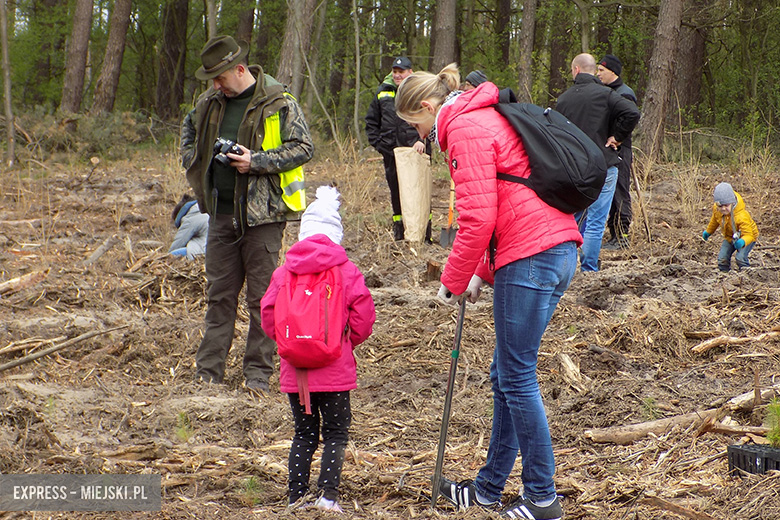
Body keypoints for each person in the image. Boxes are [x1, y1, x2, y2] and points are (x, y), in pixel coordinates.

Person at [396, 64, 583, 520]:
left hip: (532, 255)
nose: (421, 137)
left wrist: (453, 279)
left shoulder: (462, 128)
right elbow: (502, 200)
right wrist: (482, 269)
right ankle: (487, 490)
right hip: (547, 249)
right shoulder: (482, 116)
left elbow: (477, 219)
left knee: (517, 378)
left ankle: (542, 499)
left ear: (427, 106)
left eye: (416, 127)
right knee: (506, 377)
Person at [180, 35, 314, 391]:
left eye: (220, 78)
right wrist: (192, 160)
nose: (215, 85)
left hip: (263, 219)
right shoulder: (210, 102)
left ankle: (258, 374)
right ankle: (208, 374)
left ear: (239, 70)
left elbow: (304, 148)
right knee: (219, 297)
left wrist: (257, 161)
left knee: (262, 301)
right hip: (220, 216)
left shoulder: (279, 102)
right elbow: (188, 130)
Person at [260, 186, 376, 513]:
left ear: (303, 233)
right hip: (335, 370)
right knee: (336, 434)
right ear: (336, 234)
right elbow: (364, 317)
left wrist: (287, 343)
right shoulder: (347, 271)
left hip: (296, 372)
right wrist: (346, 341)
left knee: (304, 434)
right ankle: (327, 497)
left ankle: (295, 496)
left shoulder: (284, 271)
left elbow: (268, 313)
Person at [556, 53, 640, 272]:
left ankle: (563, 266)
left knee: (571, 218)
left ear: (575, 70)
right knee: (595, 220)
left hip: (574, 166)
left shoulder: (563, 99)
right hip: (603, 164)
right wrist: (617, 137)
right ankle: (589, 268)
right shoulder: (606, 95)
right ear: (593, 71)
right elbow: (632, 112)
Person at [365, 56, 430, 241]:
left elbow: (429, 118)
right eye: (395, 72)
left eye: (401, 72)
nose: (397, 75)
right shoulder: (383, 92)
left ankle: (423, 234)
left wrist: (422, 140)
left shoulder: (419, 90)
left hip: (415, 150)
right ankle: (400, 232)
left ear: (410, 72)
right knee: (396, 191)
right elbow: (371, 122)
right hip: (391, 152)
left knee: (418, 190)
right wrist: (380, 144)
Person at [597, 55, 638, 250]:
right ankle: (613, 234)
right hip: (608, 148)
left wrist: (618, 137)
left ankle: (621, 236)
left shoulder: (625, 93)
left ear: (612, 71)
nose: (598, 74)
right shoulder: (605, 91)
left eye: (601, 70)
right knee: (610, 192)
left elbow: (630, 118)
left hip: (620, 148)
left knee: (620, 191)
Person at [702, 182, 758, 271]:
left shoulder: (741, 216)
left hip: (746, 238)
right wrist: (708, 232)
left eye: (726, 205)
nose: (723, 209)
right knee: (722, 258)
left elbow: (749, 235)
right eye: (721, 206)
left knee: (740, 258)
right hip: (729, 236)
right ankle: (724, 274)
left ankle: (746, 274)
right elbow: (714, 221)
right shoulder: (717, 209)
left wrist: (742, 242)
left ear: (732, 202)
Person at [169, 194, 209, 260]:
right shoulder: (203, 210)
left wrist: (165, 257)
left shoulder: (190, 219)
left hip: (203, 251)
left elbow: (179, 242)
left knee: (173, 254)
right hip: (213, 248)